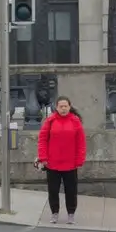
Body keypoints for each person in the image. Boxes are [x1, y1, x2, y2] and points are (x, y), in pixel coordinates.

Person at [36, 96, 86, 224]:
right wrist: (43, 158)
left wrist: (80, 159)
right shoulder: (50, 121)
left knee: (71, 191)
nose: (63, 109)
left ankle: (71, 213)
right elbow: (42, 140)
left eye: (65, 106)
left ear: (69, 107)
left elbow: (81, 142)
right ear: (56, 108)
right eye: (61, 106)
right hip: (52, 164)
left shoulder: (75, 121)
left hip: (70, 164)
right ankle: (54, 213)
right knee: (53, 190)